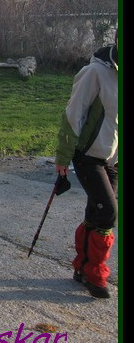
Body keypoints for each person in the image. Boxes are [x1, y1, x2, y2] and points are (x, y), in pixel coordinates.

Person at [54, 35, 118, 299]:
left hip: (113, 159)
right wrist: (63, 157)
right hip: (88, 155)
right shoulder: (94, 72)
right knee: (108, 213)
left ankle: (81, 267)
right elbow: (73, 113)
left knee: (96, 211)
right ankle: (96, 273)